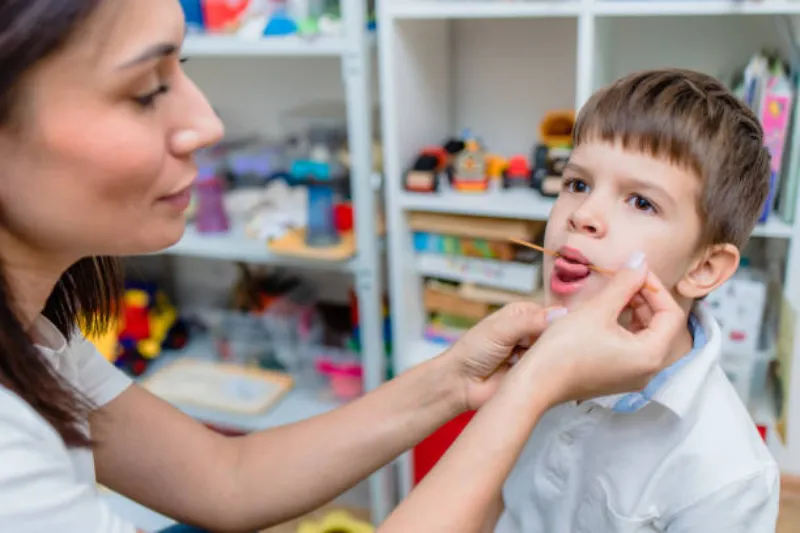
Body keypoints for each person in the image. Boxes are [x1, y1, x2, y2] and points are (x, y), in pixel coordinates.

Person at [0, 1, 685, 532]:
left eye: (185, 70)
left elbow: (226, 476)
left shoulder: (34, 340)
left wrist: (455, 378)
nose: (207, 123)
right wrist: (537, 383)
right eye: (147, 89)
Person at [488, 69, 781, 533]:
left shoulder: (727, 476)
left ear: (703, 268)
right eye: (578, 184)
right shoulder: (531, 352)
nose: (582, 215)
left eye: (641, 202)